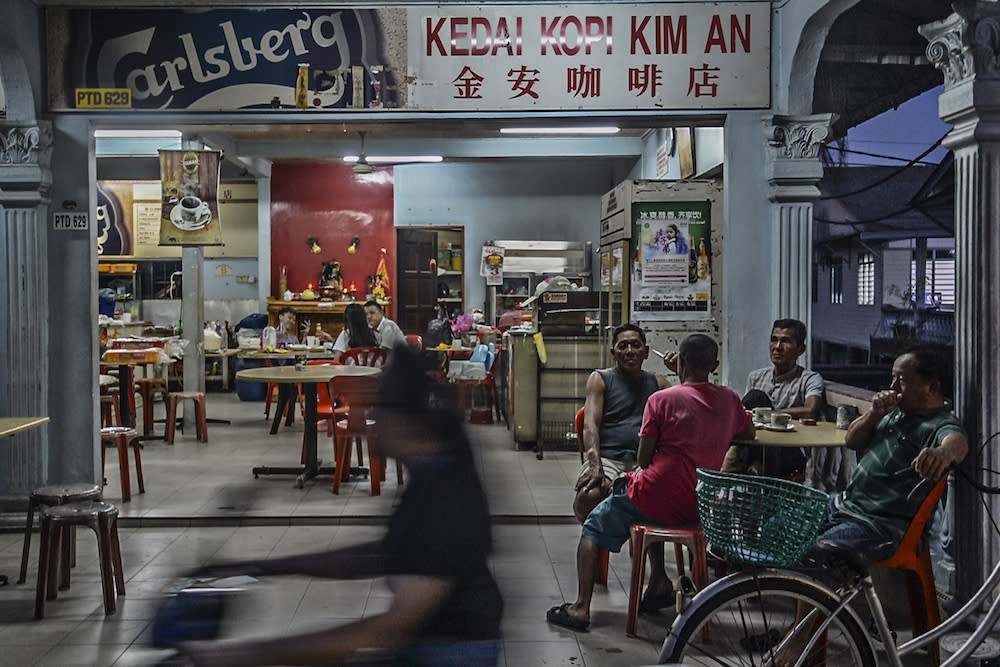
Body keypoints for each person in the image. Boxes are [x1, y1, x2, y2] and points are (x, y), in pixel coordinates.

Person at [176, 345, 503, 666]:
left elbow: (386, 629)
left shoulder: (445, 495)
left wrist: (238, 656)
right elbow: (380, 555)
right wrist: (264, 568)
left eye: (377, 414)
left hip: (452, 650)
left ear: (403, 422)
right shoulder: (433, 468)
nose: (370, 423)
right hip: (427, 642)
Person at [547, 334, 755, 632]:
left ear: (678, 361)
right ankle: (663, 588)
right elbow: (746, 433)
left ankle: (581, 608)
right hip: (697, 503)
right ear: (715, 365)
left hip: (656, 493)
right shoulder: (730, 399)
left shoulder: (660, 397)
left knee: (595, 526)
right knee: (643, 500)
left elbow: (644, 460)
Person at [814, 346, 968, 562]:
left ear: (931, 388)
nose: (892, 387)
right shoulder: (893, 412)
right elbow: (851, 441)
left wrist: (942, 453)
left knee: (815, 553)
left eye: (901, 380)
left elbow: (956, 442)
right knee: (778, 529)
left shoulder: (939, 423)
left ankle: (814, 594)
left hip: (879, 526)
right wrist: (873, 414)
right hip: (843, 506)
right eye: (892, 378)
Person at [573, 324, 672, 612]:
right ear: (614, 351)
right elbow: (590, 425)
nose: (629, 351)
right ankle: (601, 546)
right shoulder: (600, 379)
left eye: (635, 345)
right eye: (623, 346)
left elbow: (690, 403)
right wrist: (595, 465)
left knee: (652, 499)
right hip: (610, 459)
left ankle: (658, 578)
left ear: (645, 350)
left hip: (646, 462)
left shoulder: (660, 384)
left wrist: (684, 368)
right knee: (590, 496)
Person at [725, 318, 826, 480]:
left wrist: (768, 414)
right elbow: (746, 419)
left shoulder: (809, 379)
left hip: (789, 450)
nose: (777, 347)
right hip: (759, 446)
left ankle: (733, 457)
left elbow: (810, 411)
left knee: (756, 398)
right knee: (750, 402)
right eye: (774, 340)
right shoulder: (756, 377)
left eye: (785, 341)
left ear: (801, 349)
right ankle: (749, 460)